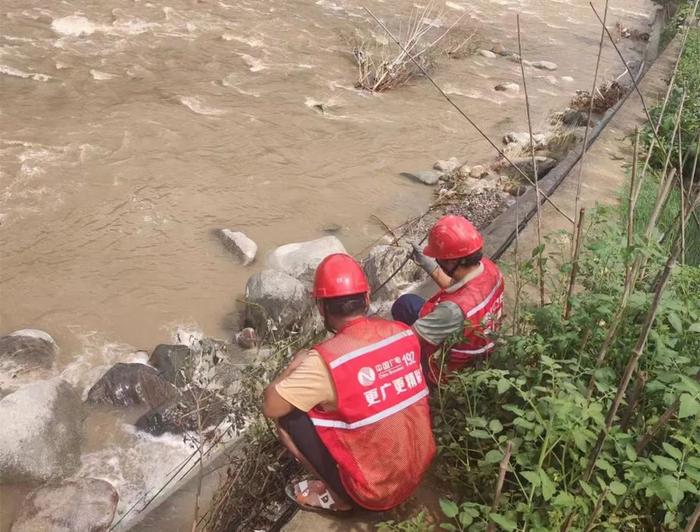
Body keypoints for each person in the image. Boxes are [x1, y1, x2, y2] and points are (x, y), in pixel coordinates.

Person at [262, 253, 435, 513]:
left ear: (321, 308)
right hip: (420, 469)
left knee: (289, 417)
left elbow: (270, 405)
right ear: (366, 298)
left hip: (375, 493)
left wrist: (294, 365)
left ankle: (341, 498)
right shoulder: (402, 332)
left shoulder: (324, 360)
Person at [392, 215, 504, 383]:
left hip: (449, 370)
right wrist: (430, 267)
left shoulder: (453, 310)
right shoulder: (490, 269)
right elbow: (457, 286)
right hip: (479, 347)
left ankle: (425, 383)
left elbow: (409, 340)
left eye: (439, 259)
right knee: (406, 304)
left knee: (399, 350)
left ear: (452, 262)